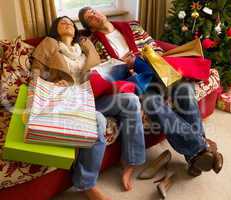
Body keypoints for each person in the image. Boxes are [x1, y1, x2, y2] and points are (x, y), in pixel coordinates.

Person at [78, 6, 223, 193]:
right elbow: (107, 71)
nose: (95, 15)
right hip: (140, 83)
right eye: (89, 17)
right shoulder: (95, 43)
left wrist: (145, 58)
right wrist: (128, 65)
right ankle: (201, 149)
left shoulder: (132, 27)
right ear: (89, 26)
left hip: (162, 72)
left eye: (94, 11)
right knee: (153, 104)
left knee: (185, 91)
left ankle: (196, 155)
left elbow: (155, 47)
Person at [31, 16, 146, 200]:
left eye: (70, 22)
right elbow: (35, 76)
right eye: (62, 22)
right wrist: (53, 85)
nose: (67, 24)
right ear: (55, 29)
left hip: (93, 96)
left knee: (131, 100)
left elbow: (102, 69)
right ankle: (87, 184)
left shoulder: (85, 45)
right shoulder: (49, 44)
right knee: (98, 120)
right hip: (68, 101)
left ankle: (130, 161)